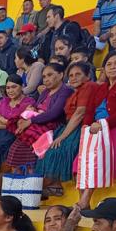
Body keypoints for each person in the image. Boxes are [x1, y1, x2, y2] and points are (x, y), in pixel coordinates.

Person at [77, 51, 116, 210]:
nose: (112, 67)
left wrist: (103, 124)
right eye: (109, 64)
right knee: (80, 160)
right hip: (95, 127)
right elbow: (89, 110)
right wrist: (86, 125)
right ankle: (83, 200)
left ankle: (84, 200)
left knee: (100, 154)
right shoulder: (100, 87)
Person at [37, 62, 96, 198]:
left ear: (87, 76)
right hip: (68, 126)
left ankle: (53, 185)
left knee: (59, 149)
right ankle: (54, 185)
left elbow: (80, 113)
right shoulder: (76, 90)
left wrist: (62, 136)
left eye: (78, 74)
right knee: (46, 149)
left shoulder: (88, 87)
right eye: (71, 75)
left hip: (79, 127)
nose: (73, 78)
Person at [7, 63, 73, 172]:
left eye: (50, 75)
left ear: (61, 75)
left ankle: (31, 180)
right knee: (15, 148)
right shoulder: (46, 91)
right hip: (37, 122)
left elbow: (54, 113)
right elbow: (38, 107)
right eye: (44, 77)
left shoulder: (65, 91)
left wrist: (30, 121)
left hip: (51, 125)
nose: (46, 79)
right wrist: (31, 110)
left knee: (22, 149)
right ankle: (19, 183)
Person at [0, 75, 35, 202]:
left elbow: (21, 124)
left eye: (14, 87)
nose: (10, 90)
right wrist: (11, 122)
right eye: (8, 88)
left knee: (7, 158)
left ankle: (1, 190)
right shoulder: (3, 101)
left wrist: (3, 120)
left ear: (21, 87)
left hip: (17, 135)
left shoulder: (29, 102)